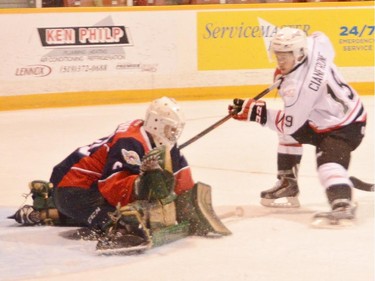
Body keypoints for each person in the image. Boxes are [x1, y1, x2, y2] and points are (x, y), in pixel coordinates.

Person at [10, 96, 231, 253]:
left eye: (176, 129)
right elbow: (113, 187)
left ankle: (45, 211)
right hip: (72, 188)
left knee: (134, 209)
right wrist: (145, 183)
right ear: (156, 123)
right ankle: (72, 211)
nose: (174, 134)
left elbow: (181, 178)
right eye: (170, 129)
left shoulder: (162, 140)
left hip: (88, 187)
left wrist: (188, 203)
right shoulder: (130, 141)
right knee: (124, 219)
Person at [228, 27, 366, 226]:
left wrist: (256, 113)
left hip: (344, 127)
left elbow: (289, 125)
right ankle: (288, 183)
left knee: (328, 165)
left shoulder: (300, 89)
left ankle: (342, 205)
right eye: (278, 55)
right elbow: (320, 35)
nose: (280, 61)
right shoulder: (317, 45)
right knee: (287, 132)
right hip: (339, 112)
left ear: (299, 53)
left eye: (286, 56)